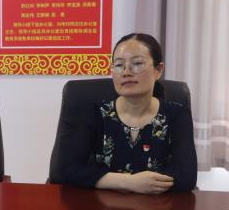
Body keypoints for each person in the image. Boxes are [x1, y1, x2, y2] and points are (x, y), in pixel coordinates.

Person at [58, 32, 197, 193]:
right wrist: (129, 182)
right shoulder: (92, 113)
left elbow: (186, 177)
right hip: (100, 206)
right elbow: (67, 169)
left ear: (158, 70)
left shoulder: (177, 115)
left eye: (137, 63)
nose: (126, 72)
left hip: (157, 206)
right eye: (119, 65)